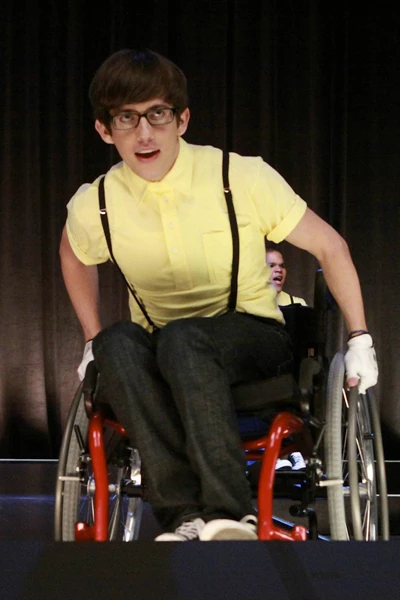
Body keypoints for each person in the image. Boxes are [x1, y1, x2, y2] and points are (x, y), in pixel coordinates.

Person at [59, 48, 378, 542]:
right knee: (116, 344)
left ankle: (231, 514)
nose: (144, 134)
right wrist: (90, 338)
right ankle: (184, 516)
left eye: (157, 114)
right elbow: (73, 255)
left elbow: (329, 246)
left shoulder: (241, 176)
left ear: (182, 120)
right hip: (160, 344)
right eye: (126, 118)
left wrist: (360, 338)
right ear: (105, 130)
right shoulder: (95, 202)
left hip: (252, 338)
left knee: (184, 340)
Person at [265, 245, 307, 471]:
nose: (278, 270)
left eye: (282, 266)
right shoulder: (245, 306)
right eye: (272, 265)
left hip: (291, 369)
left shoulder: (297, 304)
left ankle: (292, 450)